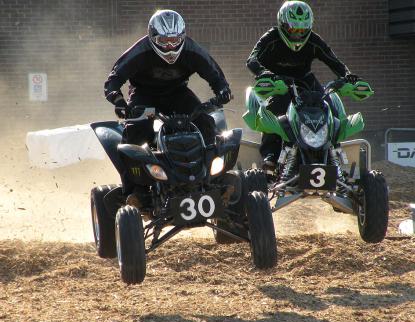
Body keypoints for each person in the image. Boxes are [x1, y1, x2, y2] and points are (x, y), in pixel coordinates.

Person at [104, 9, 232, 198]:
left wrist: (223, 91)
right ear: (152, 37)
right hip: (143, 94)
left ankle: (215, 180)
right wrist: (119, 101)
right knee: (136, 130)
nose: (171, 47)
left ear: (183, 37)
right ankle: (135, 191)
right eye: (164, 41)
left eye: (175, 40)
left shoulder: (191, 50)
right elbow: (113, 80)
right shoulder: (139, 51)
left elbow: (215, 75)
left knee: (205, 122)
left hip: (177, 93)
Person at [246, 1, 359, 170]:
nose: (298, 35)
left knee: (329, 106)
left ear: (309, 27)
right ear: (282, 25)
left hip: (305, 81)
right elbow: (251, 60)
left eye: (303, 30)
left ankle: (334, 152)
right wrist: (264, 73)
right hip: (277, 82)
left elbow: (334, 61)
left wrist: (347, 75)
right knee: (273, 110)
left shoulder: (314, 40)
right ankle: (270, 156)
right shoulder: (271, 37)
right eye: (294, 29)